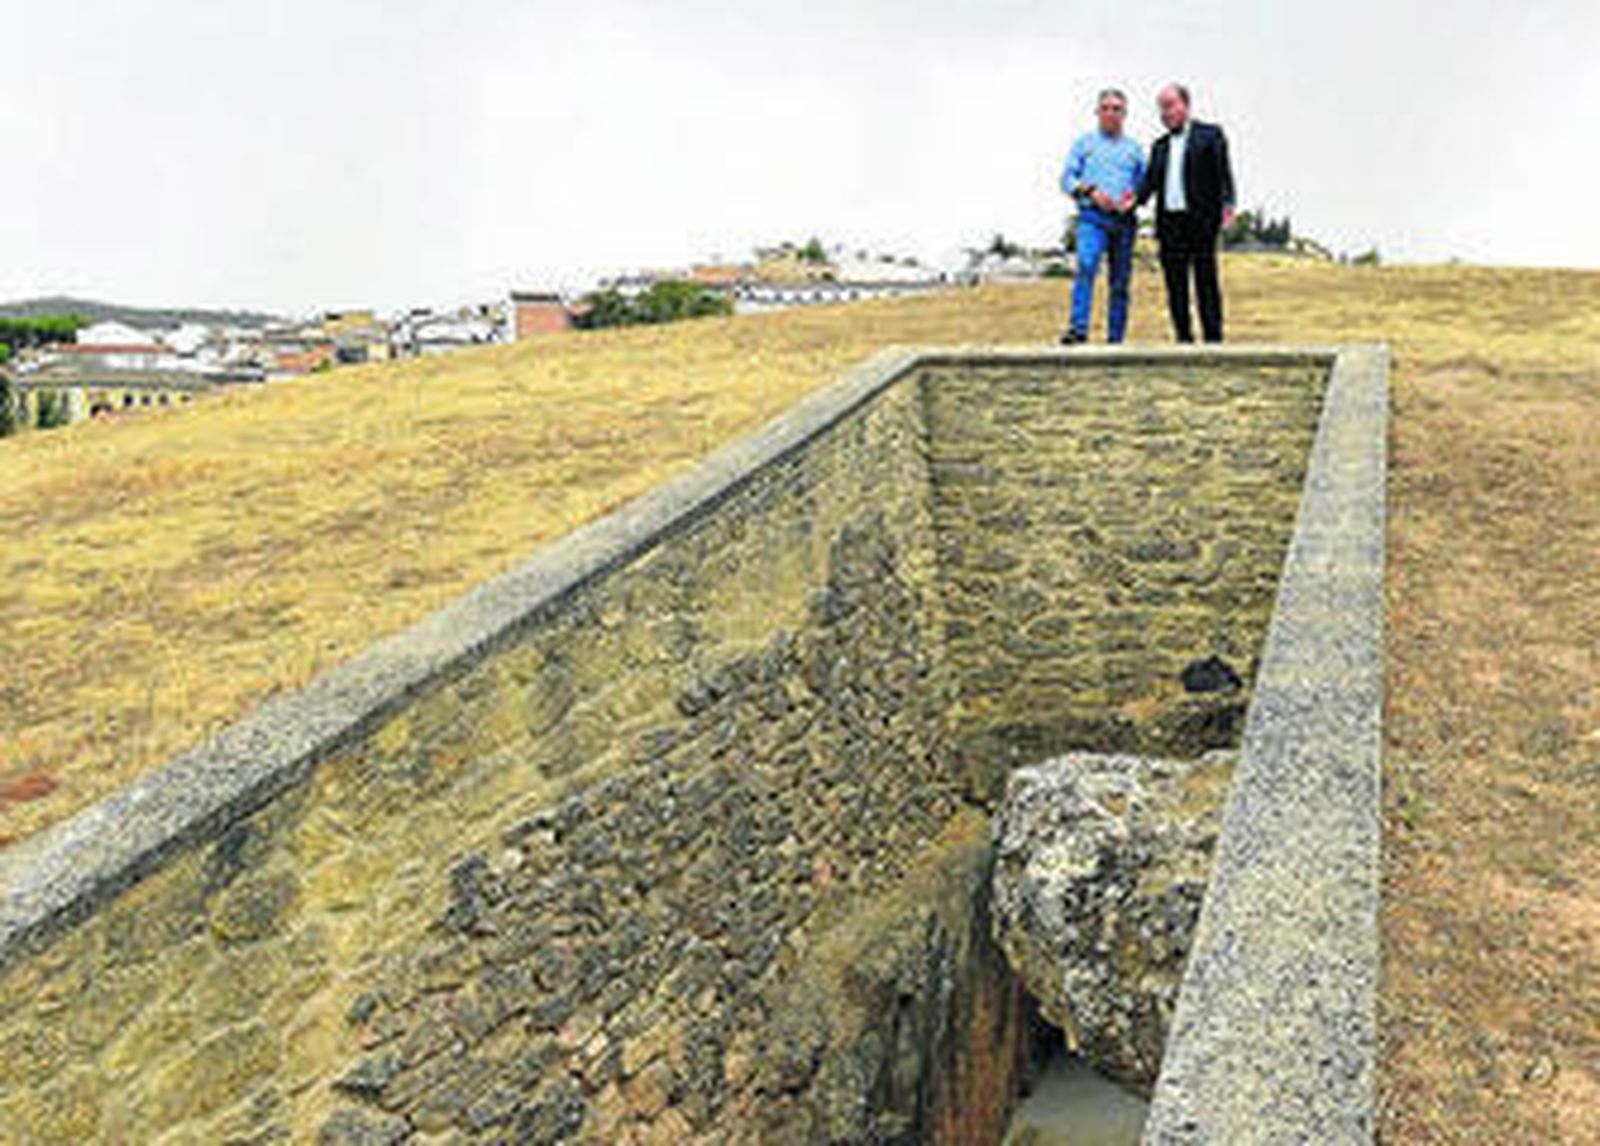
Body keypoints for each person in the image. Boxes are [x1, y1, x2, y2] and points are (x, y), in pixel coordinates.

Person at [1139, 83, 1236, 343]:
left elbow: (1224, 174)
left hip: (1202, 222)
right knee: (1175, 285)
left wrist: (1228, 205)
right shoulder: (1159, 146)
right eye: (1161, 108)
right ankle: (1184, 339)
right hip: (1170, 225)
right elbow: (1148, 185)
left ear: (1186, 105)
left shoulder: (1211, 135)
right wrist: (1131, 201)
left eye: (1170, 105)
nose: (1165, 113)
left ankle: (1213, 340)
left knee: (1206, 282)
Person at [1059, 89, 1145, 345]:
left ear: (1125, 114)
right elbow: (1066, 179)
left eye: (1117, 109)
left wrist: (1134, 198)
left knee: (1120, 281)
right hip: (1092, 217)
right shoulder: (1084, 144)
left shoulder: (1135, 150)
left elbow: (1144, 185)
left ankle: (1115, 340)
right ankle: (1078, 330)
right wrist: (1090, 190)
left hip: (1124, 222)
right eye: (1106, 108)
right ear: (1097, 113)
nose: (1111, 113)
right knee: (1086, 266)